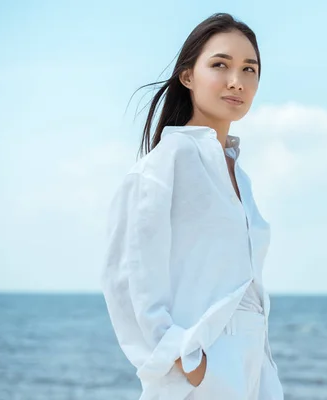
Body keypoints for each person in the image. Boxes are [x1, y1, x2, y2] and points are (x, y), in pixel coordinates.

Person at [100, 12, 284, 400]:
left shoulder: (239, 174)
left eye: (250, 69)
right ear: (188, 76)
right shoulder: (165, 165)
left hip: (255, 366)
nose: (238, 81)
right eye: (220, 65)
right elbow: (127, 281)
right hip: (204, 368)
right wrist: (190, 364)